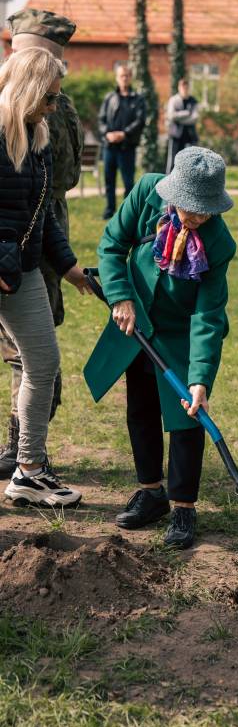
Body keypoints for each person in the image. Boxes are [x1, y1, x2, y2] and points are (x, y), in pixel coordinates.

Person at [84, 146, 236, 550]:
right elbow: (112, 245)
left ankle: (183, 506)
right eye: (190, 207)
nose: (197, 217)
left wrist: (201, 379)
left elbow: (208, 315)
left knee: (187, 416)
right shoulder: (147, 193)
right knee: (141, 407)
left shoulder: (219, 242)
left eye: (205, 210)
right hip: (137, 317)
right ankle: (151, 492)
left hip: (183, 331)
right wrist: (119, 296)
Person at [0, 47, 91, 507]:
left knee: (42, 362)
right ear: (28, 89)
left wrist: (69, 266)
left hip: (23, 270)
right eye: (50, 97)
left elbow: (43, 215)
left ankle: (29, 471)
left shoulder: (37, 137)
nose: (55, 106)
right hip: (4, 268)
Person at [99, 64, 146, 220]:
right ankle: (109, 209)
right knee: (109, 181)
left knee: (128, 183)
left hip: (127, 148)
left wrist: (124, 134)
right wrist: (108, 134)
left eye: (127, 75)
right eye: (121, 75)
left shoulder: (138, 99)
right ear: (117, 78)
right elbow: (101, 120)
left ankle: (127, 213)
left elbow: (140, 121)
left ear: (130, 77)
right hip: (109, 147)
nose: (124, 78)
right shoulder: (109, 98)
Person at [165, 78, 199, 174]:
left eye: (186, 87)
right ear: (179, 88)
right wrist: (186, 113)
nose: (184, 89)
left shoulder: (193, 101)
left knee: (190, 161)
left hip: (190, 136)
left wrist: (179, 119)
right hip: (176, 135)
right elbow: (171, 116)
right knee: (172, 161)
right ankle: (168, 182)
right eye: (182, 87)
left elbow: (195, 118)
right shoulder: (173, 100)